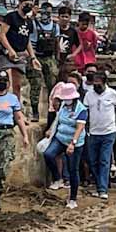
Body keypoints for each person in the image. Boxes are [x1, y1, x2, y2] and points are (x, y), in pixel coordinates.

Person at [79, 67, 116, 200]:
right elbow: (84, 113)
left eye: (99, 82)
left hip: (108, 132)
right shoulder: (89, 95)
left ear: (104, 82)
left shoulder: (112, 94)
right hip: (93, 133)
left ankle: (103, 189)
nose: (96, 85)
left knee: (104, 160)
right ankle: (99, 186)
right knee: (93, 161)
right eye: (95, 82)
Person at [42, 80, 86, 209]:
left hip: (74, 142)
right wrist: (51, 129)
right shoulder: (62, 106)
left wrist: (73, 143)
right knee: (48, 154)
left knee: (73, 170)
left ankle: (72, 198)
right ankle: (57, 178)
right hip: (60, 137)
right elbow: (58, 119)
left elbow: (79, 128)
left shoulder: (81, 109)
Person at [0, 71, 25, 213]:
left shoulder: (13, 98)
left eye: (4, 80)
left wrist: (25, 135)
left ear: (8, 83)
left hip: (7, 133)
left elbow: (18, 118)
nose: (1, 82)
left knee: (2, 165)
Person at [27, 1, 63, 120]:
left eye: (47, 12)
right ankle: (35, 112)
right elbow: (29, 39)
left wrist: (57, 59)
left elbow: (57, 43)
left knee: (52, 86)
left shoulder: (55, 26)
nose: (45, 15)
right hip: (37, 56)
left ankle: (52, 112)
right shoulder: (34, 23)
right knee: (35, 84)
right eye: (43, 12)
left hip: (49, 57)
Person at [0, 0, 36, 103]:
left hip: (20, 54)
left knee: (17, 85)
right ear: (19, 4)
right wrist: (10, 50)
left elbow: (27, 39)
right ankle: (2, 105)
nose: (28, 7)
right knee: (3, 81)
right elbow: (2, 35)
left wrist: (33, 57)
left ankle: (16, 109)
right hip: (6, 53)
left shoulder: (29, 22)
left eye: (30, 5)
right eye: (26, 4)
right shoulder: (11, 17)